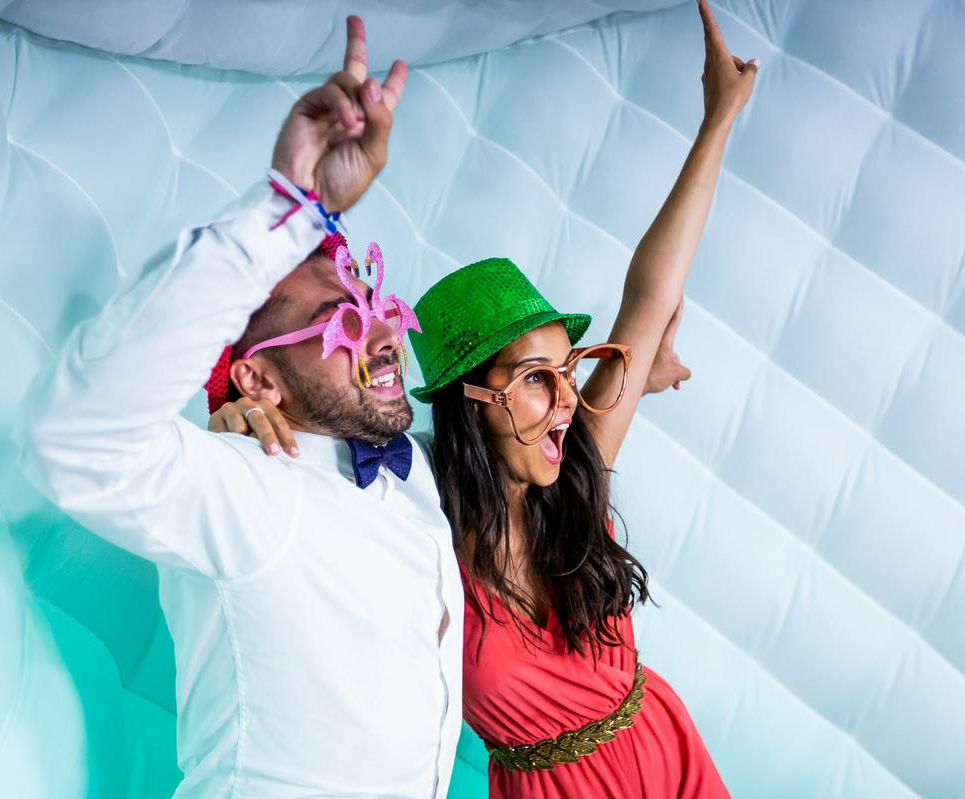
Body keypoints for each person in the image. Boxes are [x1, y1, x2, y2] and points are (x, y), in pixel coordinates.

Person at [216, 1, 752, 795]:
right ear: (470, 400)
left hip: (668, 757)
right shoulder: (411, 519)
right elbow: (300, 457)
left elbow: (651, 291)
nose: (567, 399)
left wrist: (718, 119)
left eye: (568, 371)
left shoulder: (573, 466)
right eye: (536, 377)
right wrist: (231, 417)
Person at [17, 17, 467, 799]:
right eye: (339, 319)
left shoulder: (415, 475)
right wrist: (292, 202)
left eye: (374, 302)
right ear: (258, 380)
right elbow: (73, 440)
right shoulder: (250, 489)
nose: (382, 333)